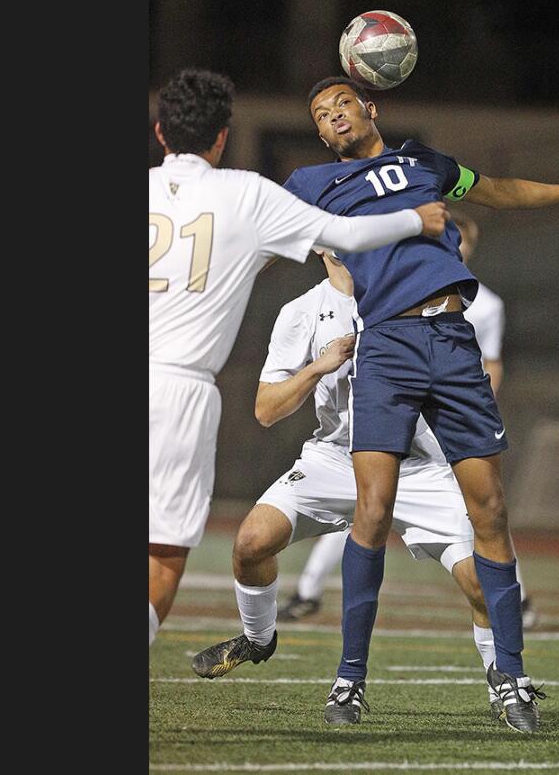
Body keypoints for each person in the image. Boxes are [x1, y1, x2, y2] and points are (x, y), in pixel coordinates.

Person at [279, 76, 559, 732]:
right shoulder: (311, 182)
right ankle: (349, 682)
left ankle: (513, 680)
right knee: (374, 510)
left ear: (369, 107)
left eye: (342, 103)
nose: (333, 117)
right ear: (321, 134)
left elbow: (500, 190)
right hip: (386, 345)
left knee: (490, 507)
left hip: (452, 340)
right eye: (321, 114)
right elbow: (254, 225)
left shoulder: (424, 164)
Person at [148, 68, 450, 649]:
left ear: (160, 133)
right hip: (182, 393)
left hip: (409, 461)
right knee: (162, 561)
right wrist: (417, 216)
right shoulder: (248, 195)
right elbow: (346, 231)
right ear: (223, 137)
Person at [189, 249, 512, 721]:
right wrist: (318, 367)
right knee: (251, 543)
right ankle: (258, 638)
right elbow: (265, 409)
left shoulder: (411, 294)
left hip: (417, 467)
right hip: (335, 460)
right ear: (320, 240)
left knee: (483, 586)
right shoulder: (301, 311)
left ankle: (502, 685)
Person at [276, 212, 541, 630]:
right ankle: (309, 589)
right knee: (362, 500)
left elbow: (491, 364)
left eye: (456, 243)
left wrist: (467, 411)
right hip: (397, 407)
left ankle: (515, 597)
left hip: (446, 416)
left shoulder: (486, 304)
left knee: (483, 508)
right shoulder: (399, 288)